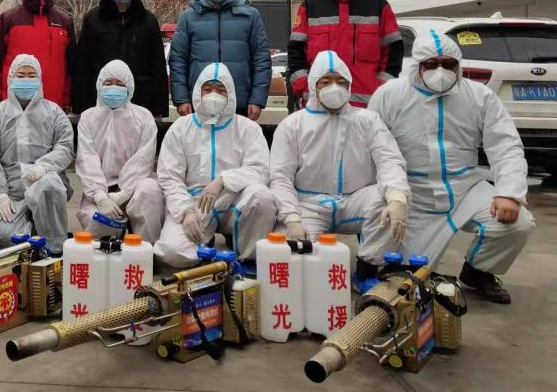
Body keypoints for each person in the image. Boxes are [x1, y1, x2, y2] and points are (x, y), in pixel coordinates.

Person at [369, 30, 535, 303]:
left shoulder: (480, 96)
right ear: (417, 66)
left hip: (465, 187)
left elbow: (505, 145)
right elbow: (372, 149)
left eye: (449, 64)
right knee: (406, 277)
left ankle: (478, 271)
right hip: (412, 191)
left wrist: (509, 192)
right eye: (431, 65)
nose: (441, 71)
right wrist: (388, 195)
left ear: (459, 65)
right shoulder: (389, 95)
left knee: (518, 223)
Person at [270, 50, 410, 284]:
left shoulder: (367, 120)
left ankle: (368, 270)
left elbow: (389, 160)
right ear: (314, 85)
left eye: (341, 81)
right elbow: (280, 176)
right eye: (325, 81)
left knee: (388, 201)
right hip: (309, 204)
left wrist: (397, 198)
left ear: (349, 85)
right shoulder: (293, 124)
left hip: (354, 200)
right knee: (298, 264)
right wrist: (291, 218)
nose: (334, 87)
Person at [154, 62, 278, 266]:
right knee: (172, 252)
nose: (214, 95)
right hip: (195, 204)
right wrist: (186, 211)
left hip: (235, 201)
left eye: (221, 90)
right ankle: (206, 244)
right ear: (198, 91)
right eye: (208, 89)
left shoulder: (247, 128)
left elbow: (260, 169)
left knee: (262, 196)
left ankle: (246, 255)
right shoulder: (181, 128)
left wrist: (223, 180)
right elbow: (169, 176)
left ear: (230, 93)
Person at [287, 0, 402, 108]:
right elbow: (296, 53)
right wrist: (305, 89)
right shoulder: (311, 6)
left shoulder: (377, 4)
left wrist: (382, 90)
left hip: (368, 105)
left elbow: (393, 53)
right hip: (319, 104)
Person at [0, 55, 74, 252]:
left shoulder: (54, 112)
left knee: (49, 185)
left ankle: (54, 247)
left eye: (31, 76)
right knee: (5, 237)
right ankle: (33, 229)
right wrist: (0, 195)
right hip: (11, 192)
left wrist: (44, 167)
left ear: (39, 79)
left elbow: (65, 147)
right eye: (20, 75)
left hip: (43, 185)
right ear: (10, 78)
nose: (26, 80)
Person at [168, 0, 271, 120]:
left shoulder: (250, 16)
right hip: (199, 105)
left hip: (240, 105)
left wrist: (258, 99)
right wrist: (181, 98)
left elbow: (261, 60)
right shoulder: (188, 17)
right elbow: (178, 61)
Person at [75, 60, 165, 243]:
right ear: (99, 85)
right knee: (97, 225)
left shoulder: (143, 117)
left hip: (134, 188)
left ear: (129, 87)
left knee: (150, 191)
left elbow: (143, 161)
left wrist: (123, 194)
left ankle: (146, 247)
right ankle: (115, 234)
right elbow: (87, 160)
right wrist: (100, 197)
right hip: (100, 192)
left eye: (120, 84)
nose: (113, 88)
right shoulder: (88, 118)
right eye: (108, 83)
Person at [72, 0, 168, 117]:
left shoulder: (148, 21)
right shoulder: (93, 19)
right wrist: (80, 106)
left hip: (140, 103)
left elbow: (158, 67)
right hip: (100, 103)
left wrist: (159, 109)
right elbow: (83, 66)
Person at [0, 0, 75, 110]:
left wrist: (66, 100)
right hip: (13, 106)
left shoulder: (64, 21)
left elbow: (70, 66)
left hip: (53, 107)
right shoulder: (7, 19)